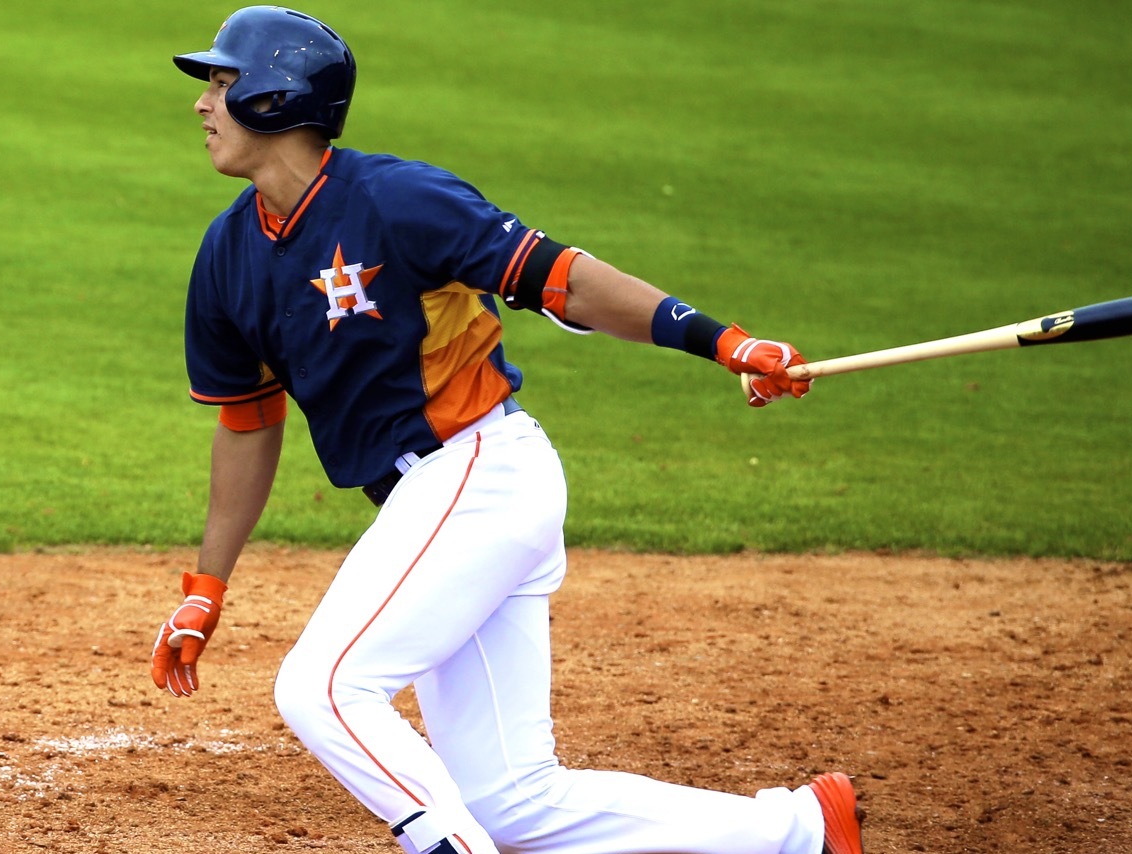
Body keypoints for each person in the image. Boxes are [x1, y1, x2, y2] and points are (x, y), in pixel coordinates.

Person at [150, 7, 863, 854]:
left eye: (225, 84)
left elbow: (565, 280)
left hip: (481, 474)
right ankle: (799, 831)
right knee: (510, 801)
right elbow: (247, 421)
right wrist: (208, 584)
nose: (203, 103)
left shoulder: (396, 199)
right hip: (441, 500)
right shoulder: (227, 255)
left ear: (276, 96)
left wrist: (727, 342)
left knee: (324, 689)